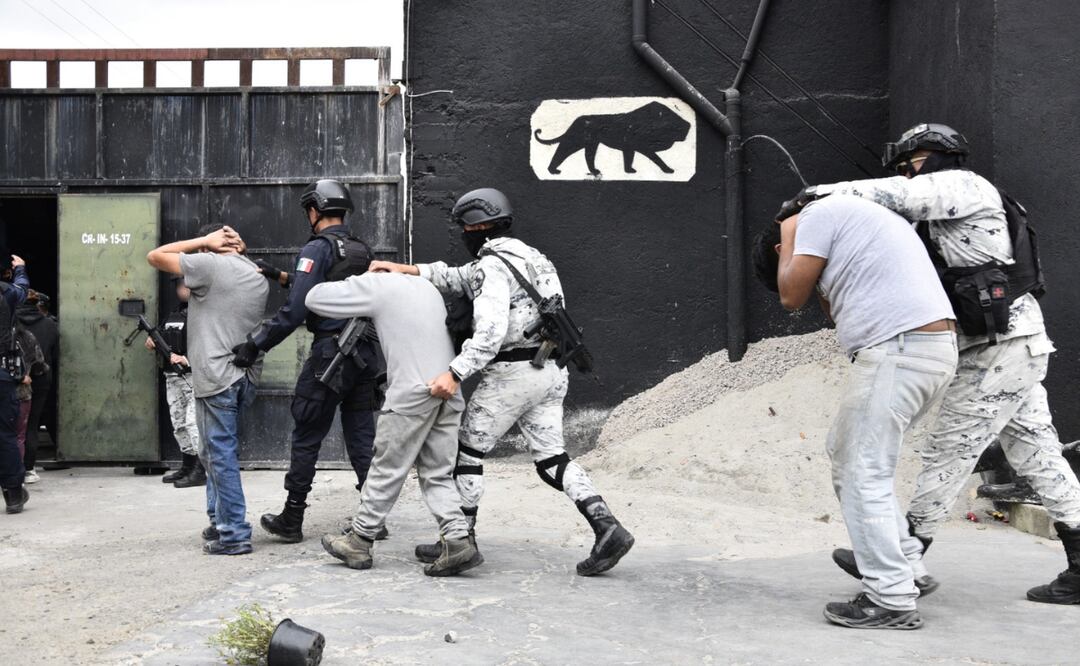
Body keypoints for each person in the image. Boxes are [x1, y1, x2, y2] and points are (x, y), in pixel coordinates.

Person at [785, 123, 1080, 605]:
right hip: (1004, 344)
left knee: (950, 450)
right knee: (1038, 454)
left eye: (914, 159)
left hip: (1000, 346)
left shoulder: (963, 184)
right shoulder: (940, 199)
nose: (908, 170)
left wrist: (817, 194)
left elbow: (902, 194)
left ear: (942, 154)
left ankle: (904, 556)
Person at [370, 188, 634, 576]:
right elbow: (460, 276)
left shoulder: (492, 266)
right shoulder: (533, 257)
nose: (463, 233)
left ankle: (460, 542)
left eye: (464, 227)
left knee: (467, 453)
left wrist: (454, 373)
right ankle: (607, 526)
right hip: (548, 371)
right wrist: (410, 270)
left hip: (511, 374)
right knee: (551, 459)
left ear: (475, 227)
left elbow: (490, 331)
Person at [755, 194, 958, 629]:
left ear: (780, 248)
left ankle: (891, 597)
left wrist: (789, 242)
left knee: (862, 471)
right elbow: (831, 312)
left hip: (900, 351)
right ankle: (907, 566)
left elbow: (791, 296)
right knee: (850, 457)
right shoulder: (853, 221)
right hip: (926, 351)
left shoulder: (814, 217)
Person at [231, 179, 384, 544]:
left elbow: (298, 308)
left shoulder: (317, 247)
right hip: (364, 354)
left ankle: (292, 518)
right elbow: (332, 289)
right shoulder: (360, 250)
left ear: (315, 210)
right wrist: (282, 276)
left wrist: (256, 345)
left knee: (307, 434)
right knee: (361, 435)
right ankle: (373, 519)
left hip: (330, 355)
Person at [309, 270, 483, 576]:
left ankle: (359, 541)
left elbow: (314, 298)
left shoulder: (377, 285)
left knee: (386, 467)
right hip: (447, 390)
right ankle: (457, 541)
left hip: (413, 393)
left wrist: (357, 279)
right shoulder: (426, 286)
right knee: (437, 473)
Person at [147, 225, 269, 555]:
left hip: (217, 378)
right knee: (218, 454)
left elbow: (156, 256)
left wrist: (203, 242)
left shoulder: (211, 267)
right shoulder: (255, 273)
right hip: (244, 378)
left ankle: (233, 533)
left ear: (212, 248)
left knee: (220, 455)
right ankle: (219, 520)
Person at [148, 276, 204, 488]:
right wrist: (154, 341)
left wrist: (187, 359)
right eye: (179, 286)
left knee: (193, 423)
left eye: (184, 285)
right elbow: (165, 336)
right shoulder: (174, 313)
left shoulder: (203, 313)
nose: (181, 290)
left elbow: (210, 345)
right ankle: (188, 466)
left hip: (193, 377)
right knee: (179, 424)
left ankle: (200, 469)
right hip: (172, 376)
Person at [17, 290, 57, 484]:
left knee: (12, 426)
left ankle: (12, 469)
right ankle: (28, 469)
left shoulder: (10, 324)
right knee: (32, 423)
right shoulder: (50, 325)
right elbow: (55, 352)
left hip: (14, 379)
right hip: (41, 378)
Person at [1, 252, 30, 514]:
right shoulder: (6, 293)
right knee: (5, 435)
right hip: (1, 375)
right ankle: (13, 494)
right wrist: (20, 268)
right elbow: (22, 290)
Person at [14, 322, 47, 470]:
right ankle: (18, 473)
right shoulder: (26, 336)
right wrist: (24, 375)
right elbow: (40, 364)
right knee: (19, 436)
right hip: (21, 392)